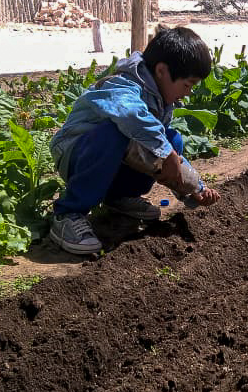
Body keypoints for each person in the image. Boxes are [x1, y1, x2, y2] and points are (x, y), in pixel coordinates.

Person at [48, 26, 221, 255]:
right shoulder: (123, 84)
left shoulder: (160, 97)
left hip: (111, 160)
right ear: (161, 71)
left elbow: (162, 149)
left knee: (171, 140)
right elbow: (130, 115)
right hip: (75, 155)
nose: (188, 93)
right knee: (120, 134)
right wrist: (167, 154)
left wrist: (195, 188)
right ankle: (67, 213)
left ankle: (119, 198)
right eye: (187, 84)